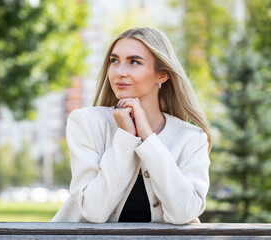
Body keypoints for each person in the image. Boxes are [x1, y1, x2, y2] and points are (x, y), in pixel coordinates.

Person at [51, 27, 211, 224]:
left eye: (134, 62)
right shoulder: (86, 123)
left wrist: (148, 138)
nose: (119, 72)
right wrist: (126, 138)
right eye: (114, 61)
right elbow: (93, 211)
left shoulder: (192, 138)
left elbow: (183, 212)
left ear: (162, 75)